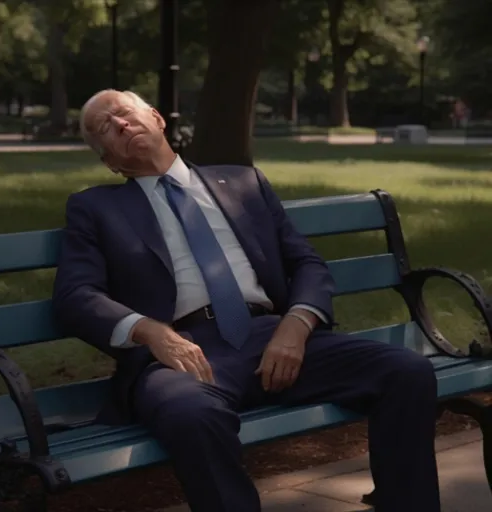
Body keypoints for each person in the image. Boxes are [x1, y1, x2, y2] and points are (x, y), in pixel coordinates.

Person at [52, 89, 441, 512]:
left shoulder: (244, 182)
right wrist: (151, 333)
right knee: (191, 415)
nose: (121, 124)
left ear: (158, 119)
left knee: (407, 371)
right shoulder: (95, 208)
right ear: (109, 160)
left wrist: (296, 324)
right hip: (183, 352)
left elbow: (306, 262)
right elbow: (76, 296)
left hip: (274, 334)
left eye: (124, 112)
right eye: (104, 128)